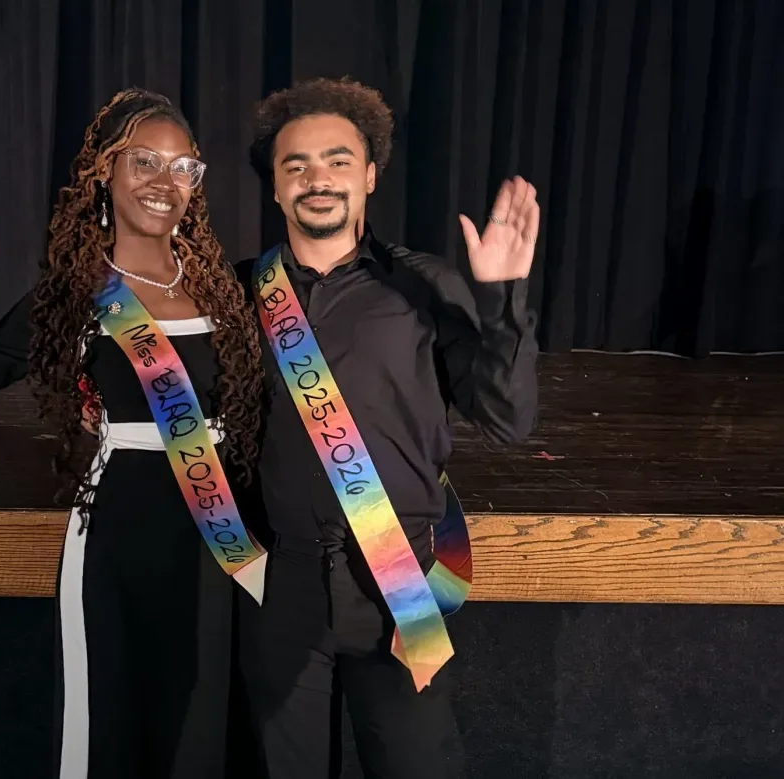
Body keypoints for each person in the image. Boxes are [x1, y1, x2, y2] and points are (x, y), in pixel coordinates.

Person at [0, 89, 267, 779]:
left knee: (207, 728)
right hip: (119, 530)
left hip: (223, 538)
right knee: (111, 728)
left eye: (184, 167)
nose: (166, 181)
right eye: (145, 161)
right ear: (103, 169)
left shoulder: (228, 292)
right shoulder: (74, 297)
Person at [235, 77, 541, 779]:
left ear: (369, 176)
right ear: (275, 188)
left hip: (399, 575)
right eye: (296, 165)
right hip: (282, 583)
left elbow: (507, 418)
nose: (318, 179)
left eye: (338, 160)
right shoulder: (240, 293)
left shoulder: (424, 284)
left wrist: (501, 297)